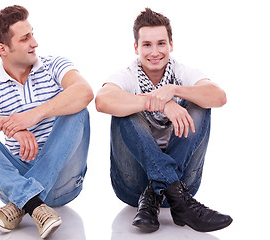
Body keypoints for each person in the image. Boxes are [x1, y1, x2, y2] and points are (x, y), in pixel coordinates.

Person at [0, 5, 93, 239]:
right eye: (25, 38)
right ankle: (34, 204)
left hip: (64, 182)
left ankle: (21, 203)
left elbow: (84, 91)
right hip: (19, 175)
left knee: (77, 111)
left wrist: (34, 114)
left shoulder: (53, 65)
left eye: (32, 34)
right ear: (3, 49)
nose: (35, 42)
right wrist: (10, 127)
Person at [95, 8, 232, 233]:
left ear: (170, 45)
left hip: (184, 183)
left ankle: (159, 191)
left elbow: (219, 96)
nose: (155, 51)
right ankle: (177, 200)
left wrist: (175, 90)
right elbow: (102, 100)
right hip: (132, 188)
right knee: (124, 109)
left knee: (200, 103)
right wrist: (159, 103)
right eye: (147, 45)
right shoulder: (128, 75)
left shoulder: (181, 72)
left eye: (161, 43)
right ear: (136, 48)